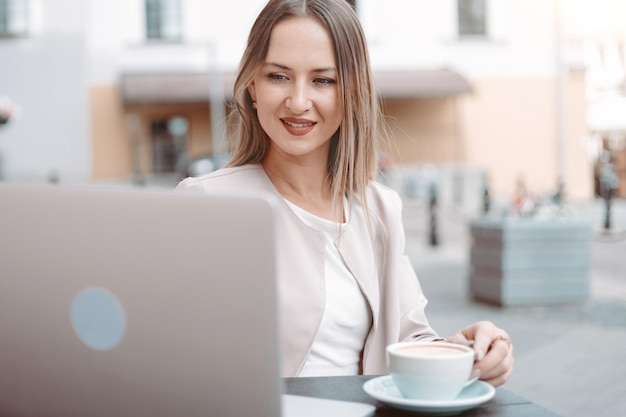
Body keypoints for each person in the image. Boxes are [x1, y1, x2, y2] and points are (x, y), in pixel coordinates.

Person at [176, 0, 514, 386]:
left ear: (351, 91)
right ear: (252, 85)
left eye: (323, 80)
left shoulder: (380, 209)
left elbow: (410, 338)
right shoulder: (207, 205)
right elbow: (176, 355)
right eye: (278, 76)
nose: (299, 101)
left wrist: (468, 352)